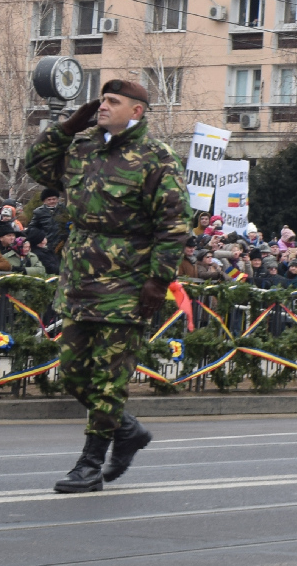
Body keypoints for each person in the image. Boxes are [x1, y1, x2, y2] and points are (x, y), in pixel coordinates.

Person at [25, 78, 192, 493]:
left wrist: (158, 280)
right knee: (73, 374)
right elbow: (37, 168)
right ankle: (129, 430)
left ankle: (89, 464)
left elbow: (173, 227)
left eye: (113, 101)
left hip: (128, 283)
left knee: (108, 380)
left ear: (136, 111)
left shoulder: (157, 158)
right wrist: (65, 129)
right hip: (79, 279)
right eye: (102, 100)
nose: (102, 106)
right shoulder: (84, 149)